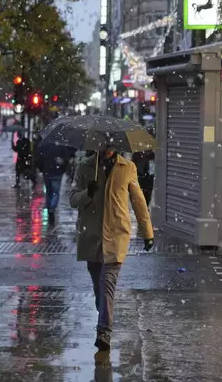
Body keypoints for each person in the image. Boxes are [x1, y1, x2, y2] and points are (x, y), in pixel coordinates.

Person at [69, 145, 154, 351]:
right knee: (99, 288)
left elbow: (138, 201)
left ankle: (104, 332)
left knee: (107, 284)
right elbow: (72, 200)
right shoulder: (84, 167)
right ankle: (103, 317)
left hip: (116, 235)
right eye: (103, 145)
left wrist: (147, 232)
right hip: (92, 236)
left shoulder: (128, 167)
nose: (107, 148)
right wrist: (87, 193)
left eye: (110, 145)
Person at [35, 141, 70, 223]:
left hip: (47, 171)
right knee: (55, 192)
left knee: (49, 192)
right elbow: (66, 159)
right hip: (57, 172)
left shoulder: (43, 145)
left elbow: (38, 159)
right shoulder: (61, 145)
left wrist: (42, 169)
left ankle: (49, 207)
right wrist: (63, 169)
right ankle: (52, 209)